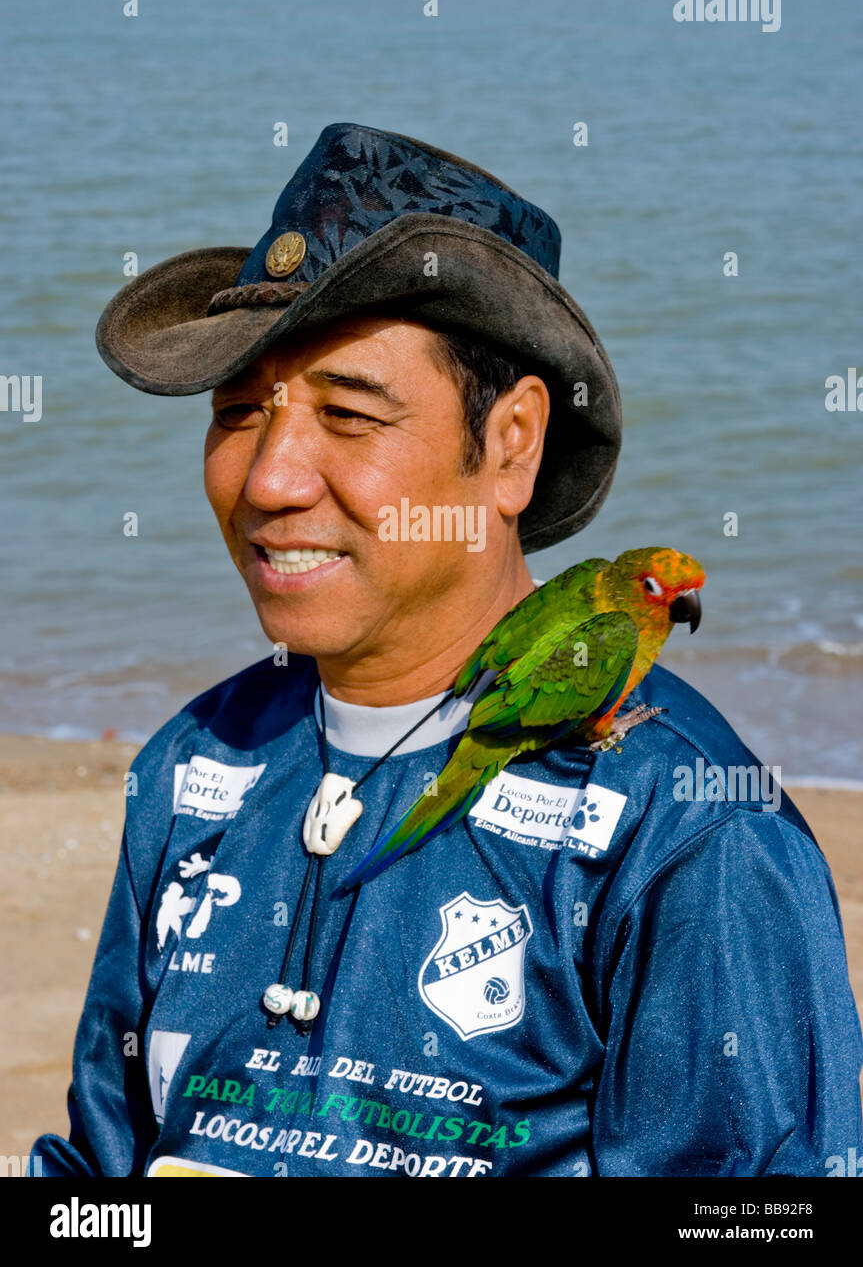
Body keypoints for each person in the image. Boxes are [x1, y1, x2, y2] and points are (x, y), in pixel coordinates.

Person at [31, 123, 862, 1178]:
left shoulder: (686, 835)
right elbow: (98, 1177)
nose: (270, 478)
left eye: (347, 413)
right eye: (239, 412)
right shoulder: (192, 766)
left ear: (510, 442)